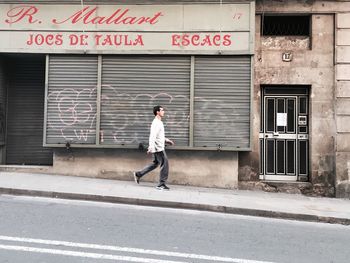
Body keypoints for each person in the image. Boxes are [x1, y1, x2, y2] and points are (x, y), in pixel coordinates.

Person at [133, 105, 174, 190]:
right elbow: (153, 136)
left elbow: (159, 135)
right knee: (165, 164)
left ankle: (139, 174)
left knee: (155, 163)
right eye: (162, 110)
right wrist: (151, 147)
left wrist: (166, 140)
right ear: (157, 112)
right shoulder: (156, 123)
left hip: (157, 147)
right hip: (158, 148)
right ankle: (161, 184)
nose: (164, 112)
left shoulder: (159, 122)